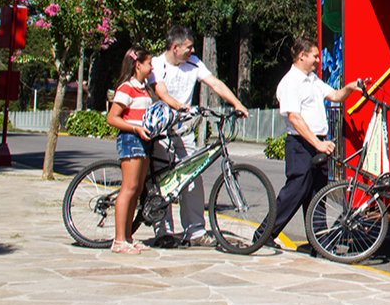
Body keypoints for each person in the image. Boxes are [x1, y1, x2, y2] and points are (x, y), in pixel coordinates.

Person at [149, 25, 250, 248]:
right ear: (174, 47)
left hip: (184, 131)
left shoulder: (194, 62)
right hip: (162, 130)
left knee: (193, 178)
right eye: (188, 47)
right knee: (163, 180)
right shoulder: (157, 64)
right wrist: (180, 106)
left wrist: (237, 103)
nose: (192, 50)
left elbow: (215, 83)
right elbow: (161, 92)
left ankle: (194, 231)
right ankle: (162, 231)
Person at [264, 37, 364, 245]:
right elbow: (294, 117)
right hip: (300, 144)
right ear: (302, 56)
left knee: (318, 194)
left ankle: (319, 242)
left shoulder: (313, 80)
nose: (318, 60)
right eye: (315, 56)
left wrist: (351, 87)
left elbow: (336, 96)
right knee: (295, 191)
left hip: (317, 142)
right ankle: (264, 234)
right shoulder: (291, 82)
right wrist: (317, 144)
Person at [105, 46, 154, 255]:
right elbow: (112, 117)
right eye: (149, 63)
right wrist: (135, 128)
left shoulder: (144, 88)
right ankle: (118, 240)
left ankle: (127, 236)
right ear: (138, 65)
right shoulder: (126, 88)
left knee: (137, 190)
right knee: (129, 188)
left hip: (145, 140)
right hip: (132, 139)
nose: (152, 67)